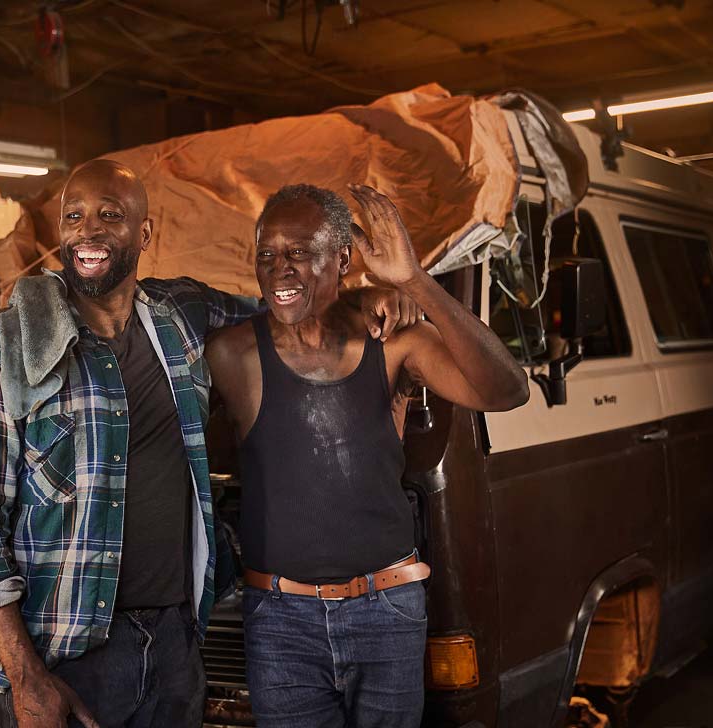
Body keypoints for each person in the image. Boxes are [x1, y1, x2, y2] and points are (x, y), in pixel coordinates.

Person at [0, 161, 419, 728]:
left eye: (109, 215)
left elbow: (287, 310)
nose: (88, 231)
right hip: (69, 654)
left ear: (144, 234)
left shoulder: (182, 316)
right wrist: (25, 677)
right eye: (74, 217)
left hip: (174, 644)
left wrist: (364, 297)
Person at [206, 183, 530, 728]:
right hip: (280, 620)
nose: (279, 269)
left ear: (343, 259)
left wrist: (412, 282)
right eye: (267, 254)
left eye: (299, 253)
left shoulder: (395, 341)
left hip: (387, 611)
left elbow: (506, 390)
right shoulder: (230, 354)